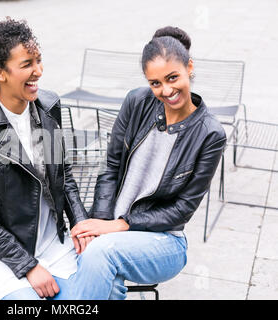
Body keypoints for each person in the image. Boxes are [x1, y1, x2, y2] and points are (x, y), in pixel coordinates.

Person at [68, 26, 227, 299]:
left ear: (189, 67)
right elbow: (111, 168)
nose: (166, 90)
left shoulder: (210, 134)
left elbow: (182, 210)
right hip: (110, 231)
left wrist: (118, 225)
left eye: (172, 77)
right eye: (155, 83)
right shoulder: (136, 102)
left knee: (99, 255)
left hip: (163, 241)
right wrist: (100, 223)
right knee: (101, 270)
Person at [0, 18, 92, 300]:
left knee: (103, 288)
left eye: (39, 61)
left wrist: (80, 223)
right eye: (27, 64)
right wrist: (27, 266)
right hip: (2, 253)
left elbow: (63, 175)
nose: (38, 71)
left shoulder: (48, 107)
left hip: (53, 240)